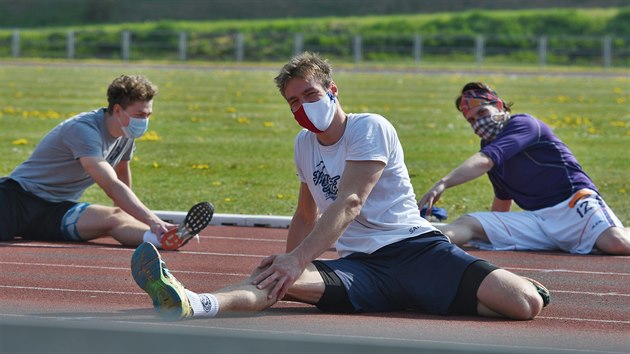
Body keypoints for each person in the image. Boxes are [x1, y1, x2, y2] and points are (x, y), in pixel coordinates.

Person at [131, 53, 549, 322]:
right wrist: (288, 261)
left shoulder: (369, 127)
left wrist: (298, 260)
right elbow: (304, 214)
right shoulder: (304, 144)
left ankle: (465, 290)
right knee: (271, 278)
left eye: (309, 94)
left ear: (333, 91)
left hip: (414, 250)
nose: (302, 106)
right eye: (292, 102)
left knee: (523, 305)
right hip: (362, 267)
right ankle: (192, 302)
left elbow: (350, 201)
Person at [418, 82, 630, 255]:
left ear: (499, 106)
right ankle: (412, 237)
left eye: (482, 112)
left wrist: (442, 183)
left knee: (617, 244)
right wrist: (493, 227)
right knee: (469, 224)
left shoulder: (524, 124)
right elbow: (503, 199)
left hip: (574, 204)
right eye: (471, 120)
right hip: (537, 219)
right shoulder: (488, 146)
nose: (478, 123)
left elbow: (484, 161)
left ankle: (617, 230)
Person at [0, 74, 197, 250]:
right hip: (16, 199)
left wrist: (139, 219)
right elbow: (111, 184)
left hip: (56, 209)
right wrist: (151, 219)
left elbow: (121, 173)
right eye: (139, 115)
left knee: (115, 218)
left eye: (148, 115)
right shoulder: (83, 130)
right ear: (118, 110)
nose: (144, 121)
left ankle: (164, 239)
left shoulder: (126, 134)